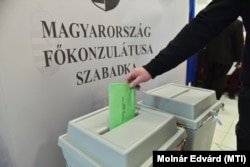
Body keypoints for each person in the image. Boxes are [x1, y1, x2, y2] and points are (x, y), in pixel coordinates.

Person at [125, 0, 250, 150]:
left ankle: (212, 107)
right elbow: (202, 27)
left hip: (216, 60)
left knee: (211, 83)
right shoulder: (235, 19)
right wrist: (151, 68)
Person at [202, 19, 244, 100]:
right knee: (219, 81)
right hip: (225, 58)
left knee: (207, 80)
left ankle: (203, 102)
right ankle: (214, 103)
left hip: (209, 55)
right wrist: (239, 60)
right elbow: (239, 43)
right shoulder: (237, 24)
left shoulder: (213, 20)